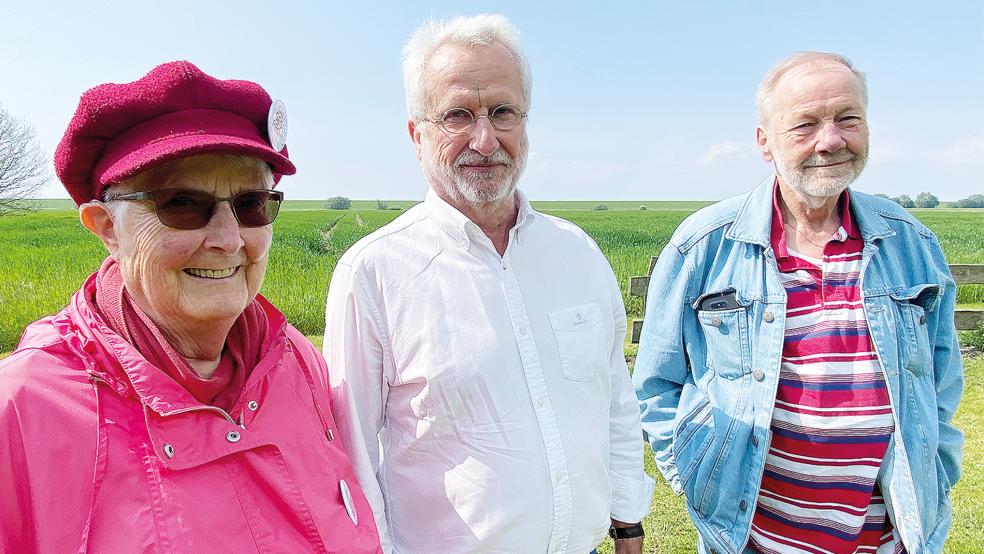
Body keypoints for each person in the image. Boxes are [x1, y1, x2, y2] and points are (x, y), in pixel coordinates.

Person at [0, 61, 381, 553]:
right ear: (106, 228)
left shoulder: (296, 363)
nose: (227, 239)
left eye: (250, 204)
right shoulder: (25, 410)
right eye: (181, 203)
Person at [324, 14, 654, 554]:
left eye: (502, 112)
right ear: (417, 134)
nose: (485, 138)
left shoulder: (577, 254)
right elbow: (353, 458)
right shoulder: (374, 273)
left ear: (526, 122)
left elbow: (612, 398)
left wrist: (628, 523)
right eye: (457, 115)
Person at [634, 51, 963, 554]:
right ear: (764, 141)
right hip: (753, 539)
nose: (830, 140)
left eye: (847, 119)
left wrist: (934, 465)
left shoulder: (910, 243)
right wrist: (697, 477)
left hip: (888, 538)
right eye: (805, 124)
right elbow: (657, 384)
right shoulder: (703, 245)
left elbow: (940, 379)